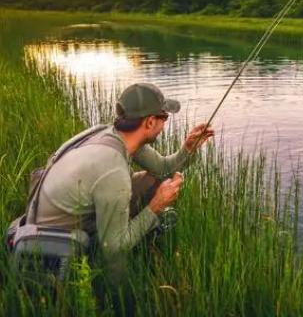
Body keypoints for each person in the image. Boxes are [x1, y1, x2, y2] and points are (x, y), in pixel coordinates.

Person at [30, 82, 214, 275]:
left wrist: (188, 149)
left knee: (154, 181)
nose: (164, 124)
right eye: (164, 117)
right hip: (56, 241)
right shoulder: (113, 171)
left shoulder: (113, 134)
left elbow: (163, 170)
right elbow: (113, 247)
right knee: (117, 254)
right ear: (150, 122)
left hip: (66, 213)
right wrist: (156, 206)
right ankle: (116, 295)